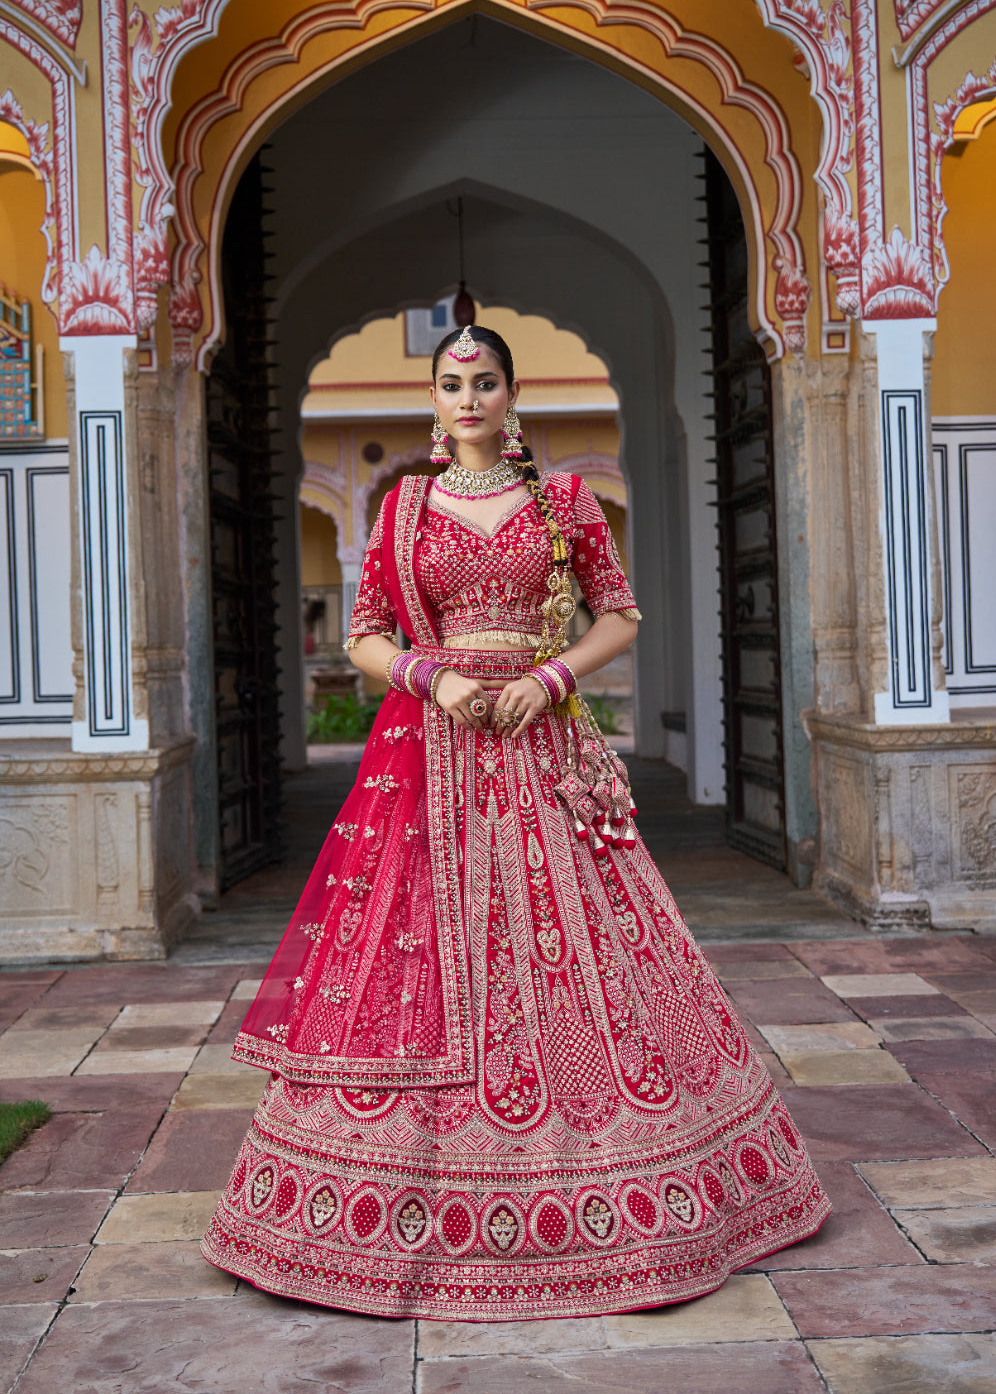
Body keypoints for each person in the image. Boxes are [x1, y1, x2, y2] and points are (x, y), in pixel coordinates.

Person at [202, 323, 829, 1320]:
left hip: (543, 749)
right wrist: (432, 677)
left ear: (510, 394)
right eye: (452, 383)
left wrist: (551, 677)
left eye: (485, 381)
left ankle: (626, 1178)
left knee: (585, 944)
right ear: (433, 399)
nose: (469, 399)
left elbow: (618, 614)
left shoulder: (563, 499)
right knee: (415, 949)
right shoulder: (404, 507)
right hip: (433, 754)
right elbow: (364, 636)